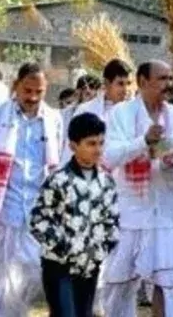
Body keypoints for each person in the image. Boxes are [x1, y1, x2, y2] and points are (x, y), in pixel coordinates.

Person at [0, 62, 65, 316]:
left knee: (30, 270)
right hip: (0, 208)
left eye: (38, 92)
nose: (32, 97)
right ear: (15, 87)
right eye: (27, 90)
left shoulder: (53, 118)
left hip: (37, 208)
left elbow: (57, 162)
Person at [100, 61, 173, 317]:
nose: (169, 85)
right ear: (142, 82)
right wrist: (143, 141)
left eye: (171, 78)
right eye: (162, 79)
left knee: (172, 285)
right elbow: (108, 157)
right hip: (130, 215)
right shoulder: (121, 114)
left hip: (165, 216)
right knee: (120, 287)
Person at [31, 113, 120, 317]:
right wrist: (66, 247)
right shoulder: (58, 181)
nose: (98, 149)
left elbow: (112, 220)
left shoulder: (106, 182)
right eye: (91, 144)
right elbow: (39, 220)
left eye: (101, 143)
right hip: (59, 266)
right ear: (73, 145)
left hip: (90, 266)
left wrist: (101, 248)